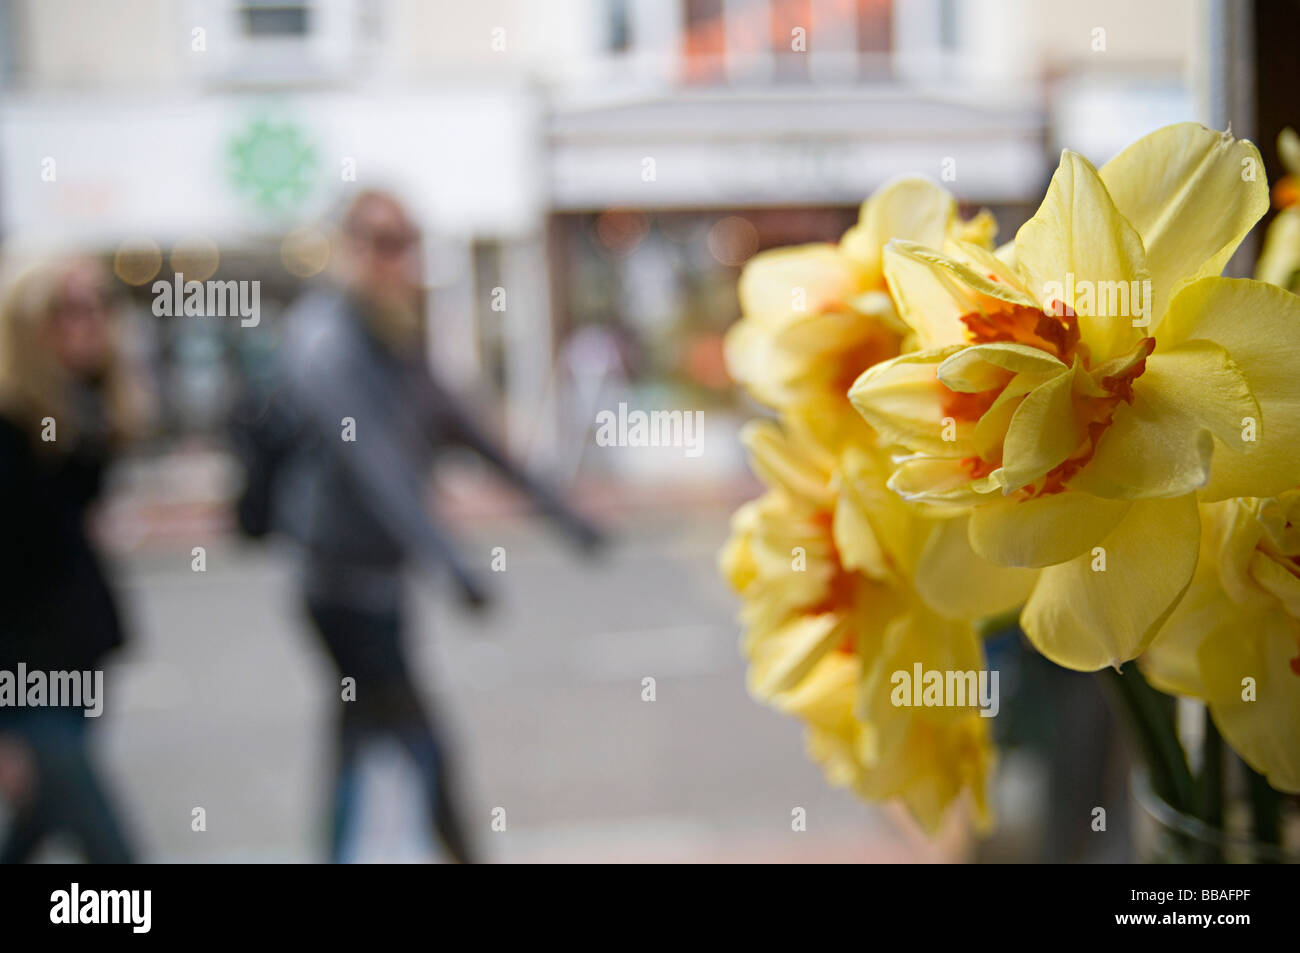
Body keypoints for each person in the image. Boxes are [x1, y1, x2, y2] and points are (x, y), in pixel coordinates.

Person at [234, 190, 601, 863]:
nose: (394, 257)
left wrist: (564, 513)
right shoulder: (325, 340)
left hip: (379, 585)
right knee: (417, 738)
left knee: (362, 733)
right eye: (378, 241)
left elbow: (469, 430)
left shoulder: (398, 336)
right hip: (338, 588)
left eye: (404, 241)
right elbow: (374, 466)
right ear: (347, 248)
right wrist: (451, 562)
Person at [0, 257, 143, 863]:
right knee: (110, 851)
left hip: (76, 652)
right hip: (23, 678)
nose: (86, 324)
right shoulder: (9, 428)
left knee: (43, 816)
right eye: (66, 309)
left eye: (97, 307)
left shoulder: (77, 416)